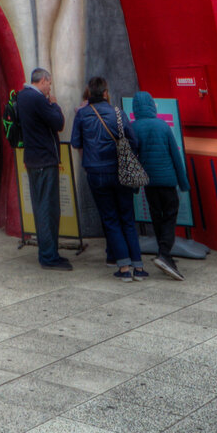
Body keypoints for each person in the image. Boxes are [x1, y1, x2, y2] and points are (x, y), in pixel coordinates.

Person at [126, 93, 209, 275]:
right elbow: (176, 157)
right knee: (170, 216)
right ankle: (164, 254)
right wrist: (184, 183)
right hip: (168, 180)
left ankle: (163, 254)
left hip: (149, 182)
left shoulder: (134, 128)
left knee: (156, 216)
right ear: (151, 106)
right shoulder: (163, 126)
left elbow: (133, 160)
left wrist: (134, 186)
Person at [73, 77, 145, 281]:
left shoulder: (82, 115)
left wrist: (87, 163)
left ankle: (123, 269)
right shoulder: (118, 113)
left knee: (110, 219)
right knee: (127, 218)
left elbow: (76, 143)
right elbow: (134, 141)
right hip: (120, 172)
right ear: (105, 93)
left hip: (95, 173)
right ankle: (138, 267)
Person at [12, 68, 71, 270]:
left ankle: (50, 252)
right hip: (44, 162)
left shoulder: (22, 97)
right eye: (49, 83)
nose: (50, 88)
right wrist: (54, 104)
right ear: (43, 80)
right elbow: (58, 123)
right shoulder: (37, 99)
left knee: (43, 208)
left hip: (34, 160)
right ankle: (48, 256)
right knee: (47, 209)